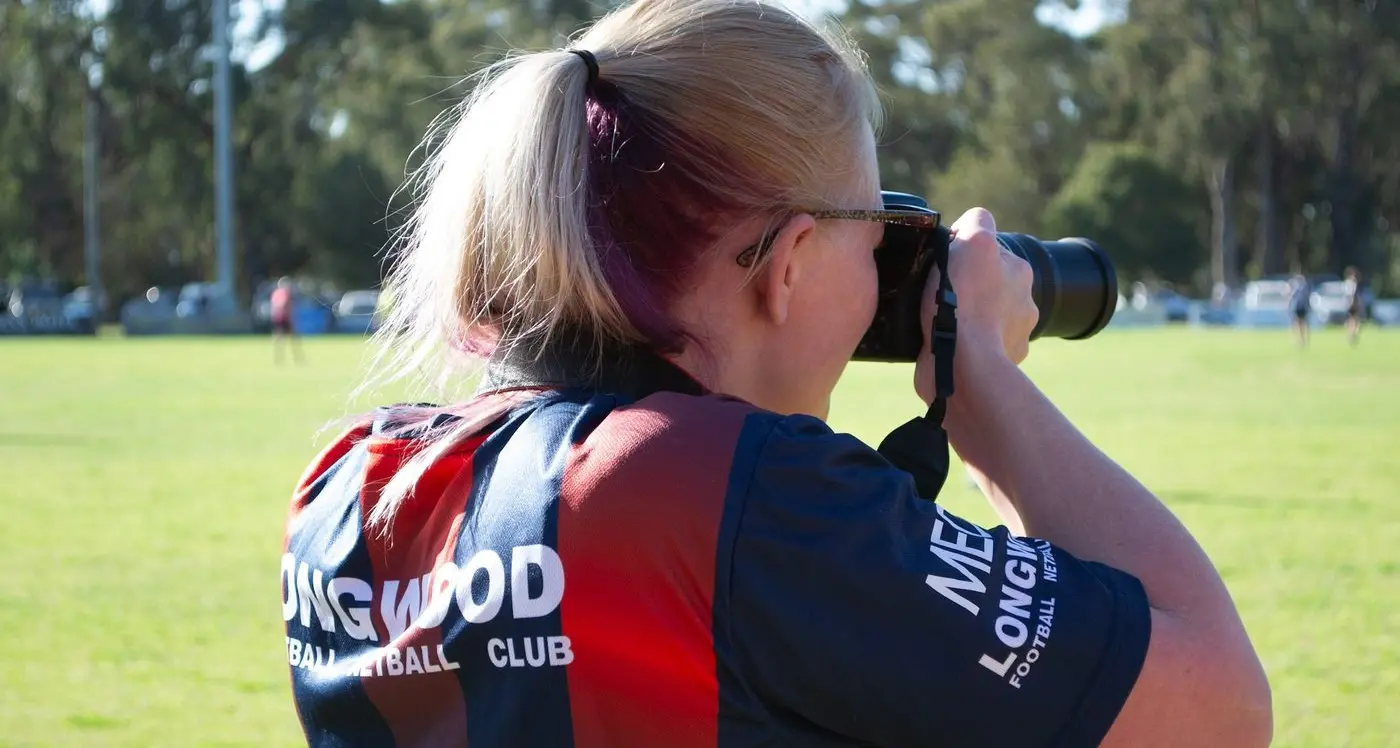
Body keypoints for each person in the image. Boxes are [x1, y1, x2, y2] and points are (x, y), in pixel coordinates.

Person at [279, 1, 1271, 746]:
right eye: (871, 234)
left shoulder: (350, 486)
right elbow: (1216, 706)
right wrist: (984, 388)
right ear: (790, 263)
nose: (877, 269)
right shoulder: (726, 495)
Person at [269, 276, 303, 364]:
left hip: (277, 318)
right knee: (292, 338)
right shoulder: (284, 293)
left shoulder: (275, 293)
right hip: (284, 318)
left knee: (279, 339)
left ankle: (278, 358)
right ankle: (297, 357)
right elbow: (282, 304)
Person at [1289, 273, 1312, 348]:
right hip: (1300, 308)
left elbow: (1293, 297)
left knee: (1300, 323)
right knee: (1300, 323)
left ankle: (1302, 339)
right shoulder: (1303, 288)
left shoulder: (1301, 288)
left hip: (1300, 308)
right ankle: (1302, 339)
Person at [1343, 266, 1364, 346]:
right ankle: (1352, 333)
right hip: (1352, 304)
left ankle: (1352, 333)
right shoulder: (1351, 283)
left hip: (1351, 304)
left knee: (1353, 320)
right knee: (1353, 320)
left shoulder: (1349, 283)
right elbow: (1351, 295)